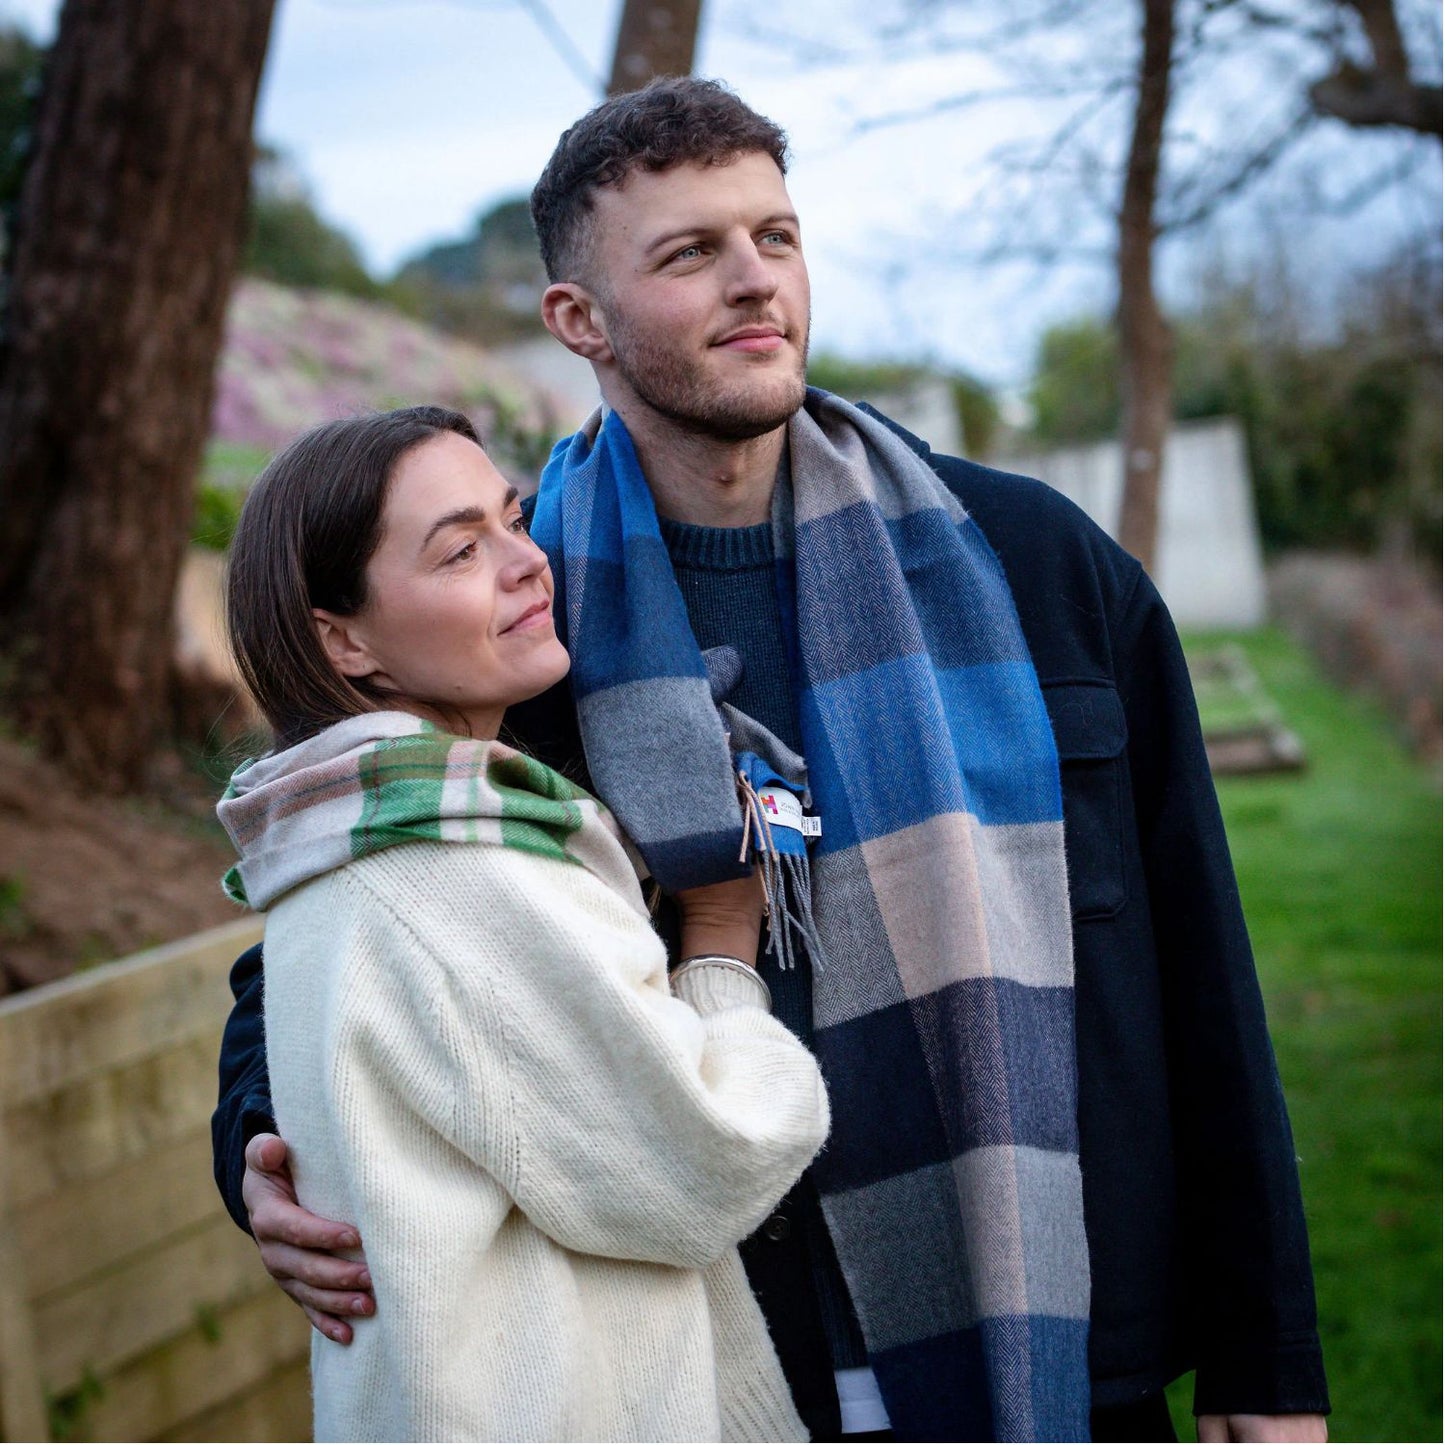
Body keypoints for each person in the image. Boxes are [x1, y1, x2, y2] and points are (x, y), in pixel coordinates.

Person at [214, 80, 1331, 1443]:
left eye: (776, 237)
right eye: (689, 254)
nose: (756, 284)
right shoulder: (517, 635)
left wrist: (1268, 1366)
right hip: (734, 1368)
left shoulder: (1033, 568)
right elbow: (335, 935)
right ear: (580, 321)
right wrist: (261, 1158)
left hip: (1069, 1347)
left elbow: (1202, 968)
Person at [215, 403, 830, 1441]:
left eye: (511, 518)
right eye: (461, 549)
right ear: (343, 638)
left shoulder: (354, 835)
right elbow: (707, 1163)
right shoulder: (457, 872)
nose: (525, 562)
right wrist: (719, 943)